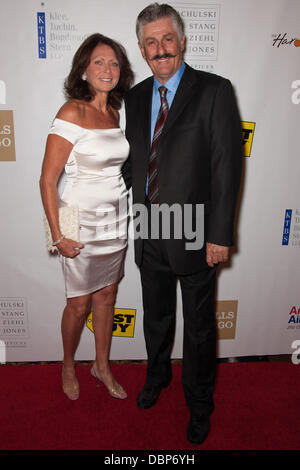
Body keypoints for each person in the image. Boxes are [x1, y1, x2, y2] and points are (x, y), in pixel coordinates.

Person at [122, 3, 242, 444]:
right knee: (155, 317)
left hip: (195, 231)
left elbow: (227, 167)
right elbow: (134, 161)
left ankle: (200, 402)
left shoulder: (213, 90)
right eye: (151, 43)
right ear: (141, 49)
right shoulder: (134, 97)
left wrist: (219, 235)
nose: (160, 49)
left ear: (182, 40)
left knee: (199, 327)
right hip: (148, 228)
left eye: (167, 39)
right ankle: (156, 378)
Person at [40, 33, 133, 401]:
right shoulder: (71, 112)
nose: (107, 69)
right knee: (78, 304)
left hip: (115, 219)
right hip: (79, 221)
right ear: (83, 69)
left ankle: (101, 366)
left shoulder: (114, 112)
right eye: (99, 62)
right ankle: (67, 364)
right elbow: (48, 180)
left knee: (107, 295)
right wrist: (59, 235)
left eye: (113, 63)